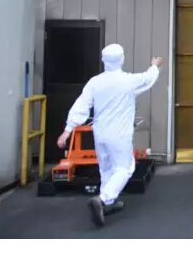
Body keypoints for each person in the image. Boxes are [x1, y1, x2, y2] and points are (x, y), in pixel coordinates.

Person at [57, 44, 163, 227]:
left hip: (100, 134)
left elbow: (81, 105)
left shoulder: (95, 82)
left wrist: (67, 130)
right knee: (124, 168)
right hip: (119, 134)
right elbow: (148, 79)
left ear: (103, 60)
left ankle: (108, 204)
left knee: (106, 169)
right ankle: (103, 199)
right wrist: (154, 66)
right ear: (122, 59)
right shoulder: (128, 81)